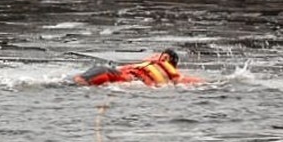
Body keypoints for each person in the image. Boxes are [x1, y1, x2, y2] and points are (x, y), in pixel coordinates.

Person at [73, 48, 204, 87]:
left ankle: (80, 81)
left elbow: (189, 81)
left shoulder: (172, 74)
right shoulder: (149, 64)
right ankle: (79, 81)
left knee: (103, 70)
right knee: (103, 71)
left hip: (132, 79)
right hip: (128, 78)